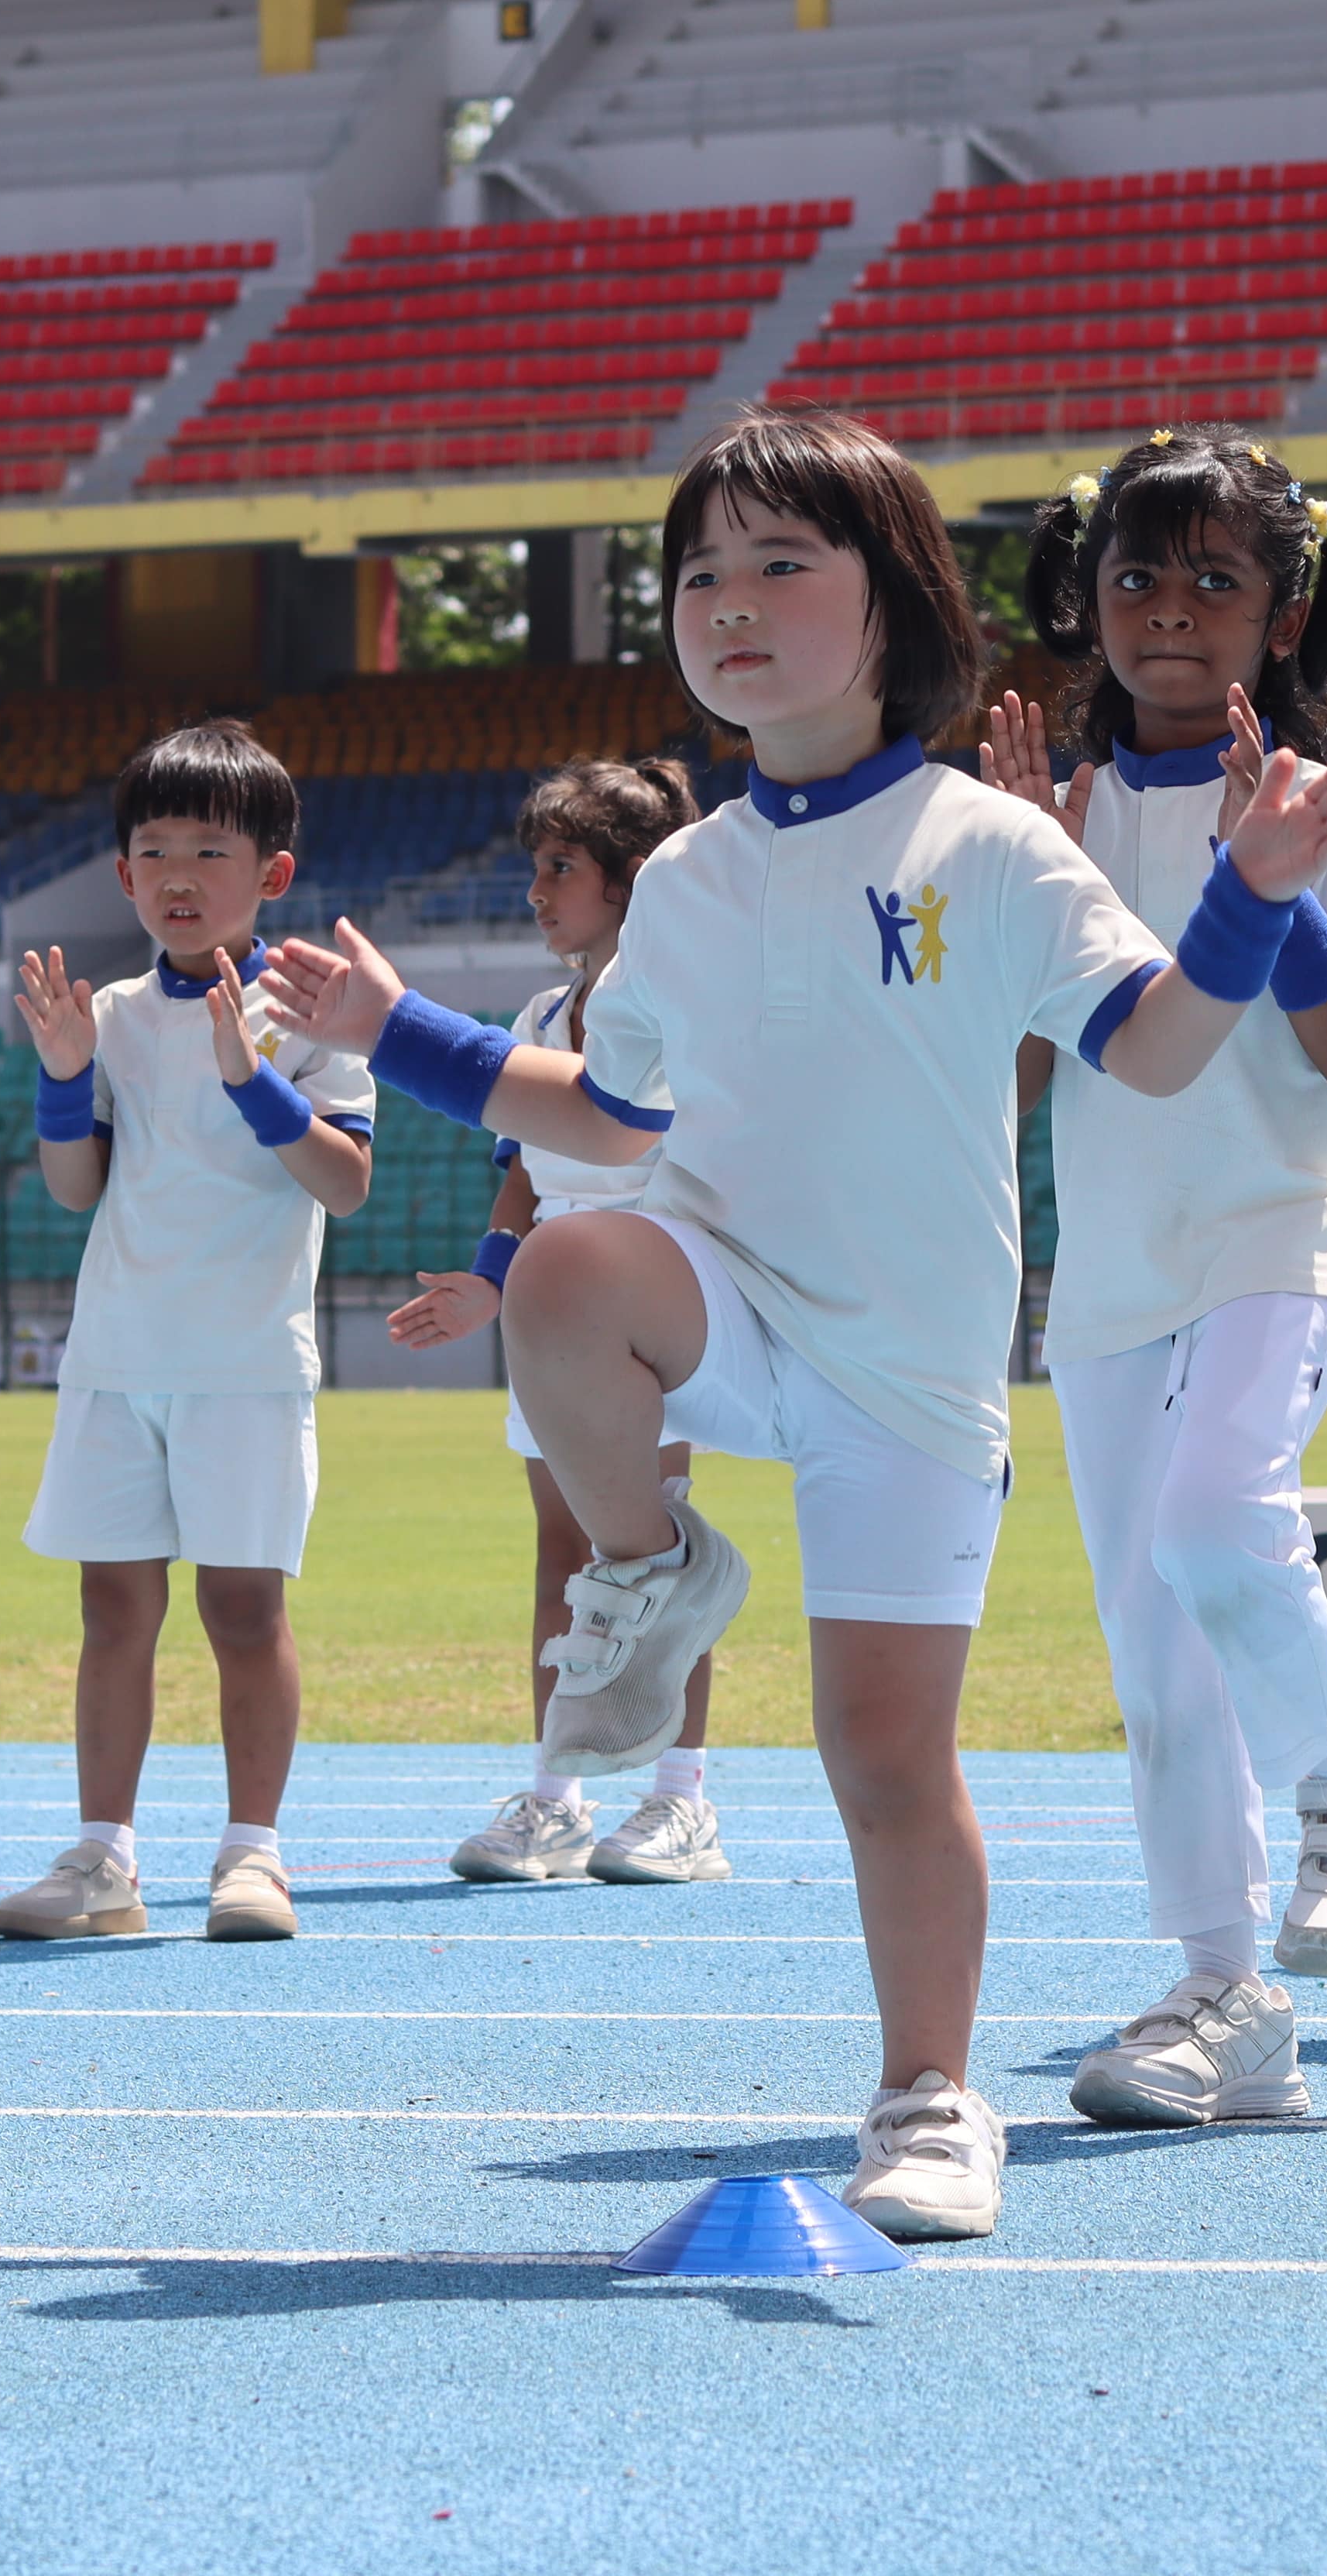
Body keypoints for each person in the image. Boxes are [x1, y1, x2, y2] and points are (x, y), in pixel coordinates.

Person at [263, 404, 1327, 2242]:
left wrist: (1259, 890)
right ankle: (650, 1565)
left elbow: (1163, 1049)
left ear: (900, 610)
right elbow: (614, 1123)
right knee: (564, 1270)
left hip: (910, 1378)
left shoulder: (994, 847)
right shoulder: (687, 879)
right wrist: (404, 1033)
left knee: (881, 1754)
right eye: (704, 571)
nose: (734, 601)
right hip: (725, 1305)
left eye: (786, 563)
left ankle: (930, 2097)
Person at [980, 427, 1327, 2131]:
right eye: (1137, 575)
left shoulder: (1323, 798)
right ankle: (1223, 1986)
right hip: (1111, 1255)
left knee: (1215, 1506)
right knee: (1154, 1645)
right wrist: (1020, 889)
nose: (1172, 612)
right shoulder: (1052, 815)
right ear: (1088, 596)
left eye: (1217, 580)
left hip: (1280, 1220)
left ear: (1285, 604)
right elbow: (1015, 1078)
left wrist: (1282, 873)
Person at [0, 720, 375, 1950]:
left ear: (272, 872)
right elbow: (73, 1187)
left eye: (209, 849)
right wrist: (63, 1075)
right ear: (120, 875)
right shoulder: (104, 1010)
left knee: (245, 1613)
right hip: (116, 1357)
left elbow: (346, 1182)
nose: (175, 875)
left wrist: (253, 1076)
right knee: (113, 1612)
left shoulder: (307, 1006)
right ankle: (103, 1859)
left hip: (247, 1364)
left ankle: (252, 1858)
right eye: (151, 849)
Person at [396, 758, 724, 1892]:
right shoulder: (537, 1017)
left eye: (561, 869)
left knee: (658, 1553)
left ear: (630, 884)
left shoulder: (683, 1010)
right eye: (534, 866)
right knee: (560, 1553)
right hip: (550, 1324)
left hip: (652, 1315)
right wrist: (490, 1285)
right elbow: (522, 1184)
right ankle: (556, 1796)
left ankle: (681, 1801)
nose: (536, 891)